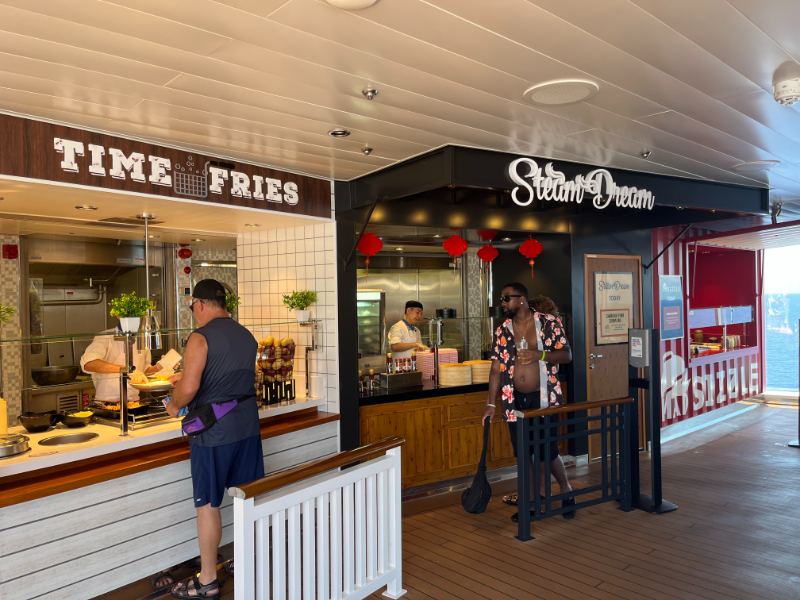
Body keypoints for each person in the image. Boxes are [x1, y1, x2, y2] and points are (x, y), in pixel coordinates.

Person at [165, 279, 264, 600]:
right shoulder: (245, 333)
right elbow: (231, 376)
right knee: (245, 498)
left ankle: (207, 580)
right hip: (247, 426)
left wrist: (174, 404)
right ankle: (246, 562)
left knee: (208, 503)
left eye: (193, 307)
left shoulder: (201, 336)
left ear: (201, 304)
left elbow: (190, 388)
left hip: (214, 432)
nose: (195, 313)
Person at [482, 284, 576, 521]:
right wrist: (491, 404)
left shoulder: (548, 323)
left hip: (545, 398)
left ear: (521, 299)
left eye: (506, 298)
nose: (502, 303)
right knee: (526, 453)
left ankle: (565, 490)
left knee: (548, 451)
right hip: (513, 401)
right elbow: (496, 369)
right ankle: (534, 501)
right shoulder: (502, 330)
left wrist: (540, 354)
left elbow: (566, 355)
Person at [80, 313, 170, 402]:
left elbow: (143, 372)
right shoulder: (105, 337)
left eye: (137, 314)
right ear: (118, 316)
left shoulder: (142, 339)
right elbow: (89, 363)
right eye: (128, 314)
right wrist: (127, 370)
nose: (133, 318)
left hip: (134, 402)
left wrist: (160, 365)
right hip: (106, 403)